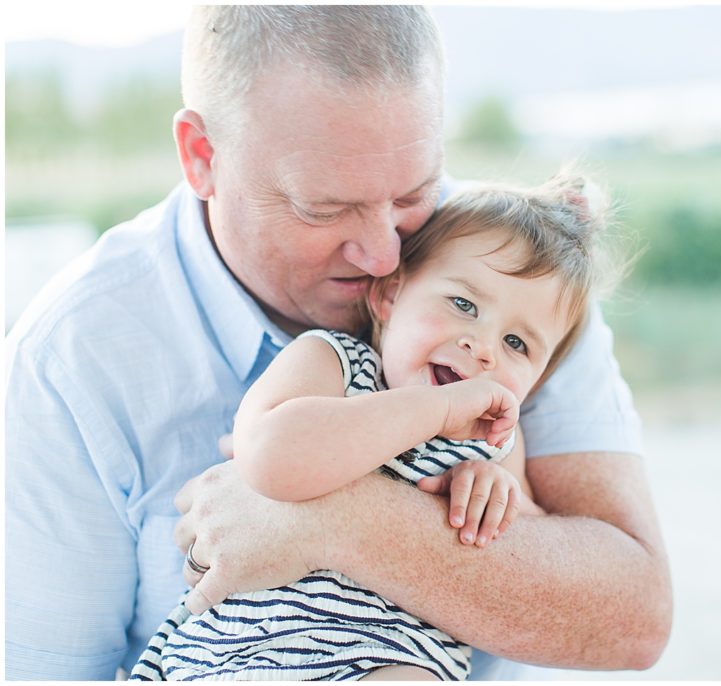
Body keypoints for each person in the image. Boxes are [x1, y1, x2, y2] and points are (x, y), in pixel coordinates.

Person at [5, 6, 671, 681]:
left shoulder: (509, 281)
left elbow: (634, 621)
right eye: (323, 209)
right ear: (201, 158)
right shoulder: (72, 360)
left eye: (414, 193)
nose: (385, 255)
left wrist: (335, 521)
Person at [131, 173, 610, 681]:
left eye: (517, 344)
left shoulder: (492, 438)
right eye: (463, 305)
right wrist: (437, 410)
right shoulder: (335, 364)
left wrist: (499, 493)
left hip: (392, 664)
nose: (484, 347)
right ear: (390, 297)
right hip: (249, 652)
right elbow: (269, 456)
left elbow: (530, 569)